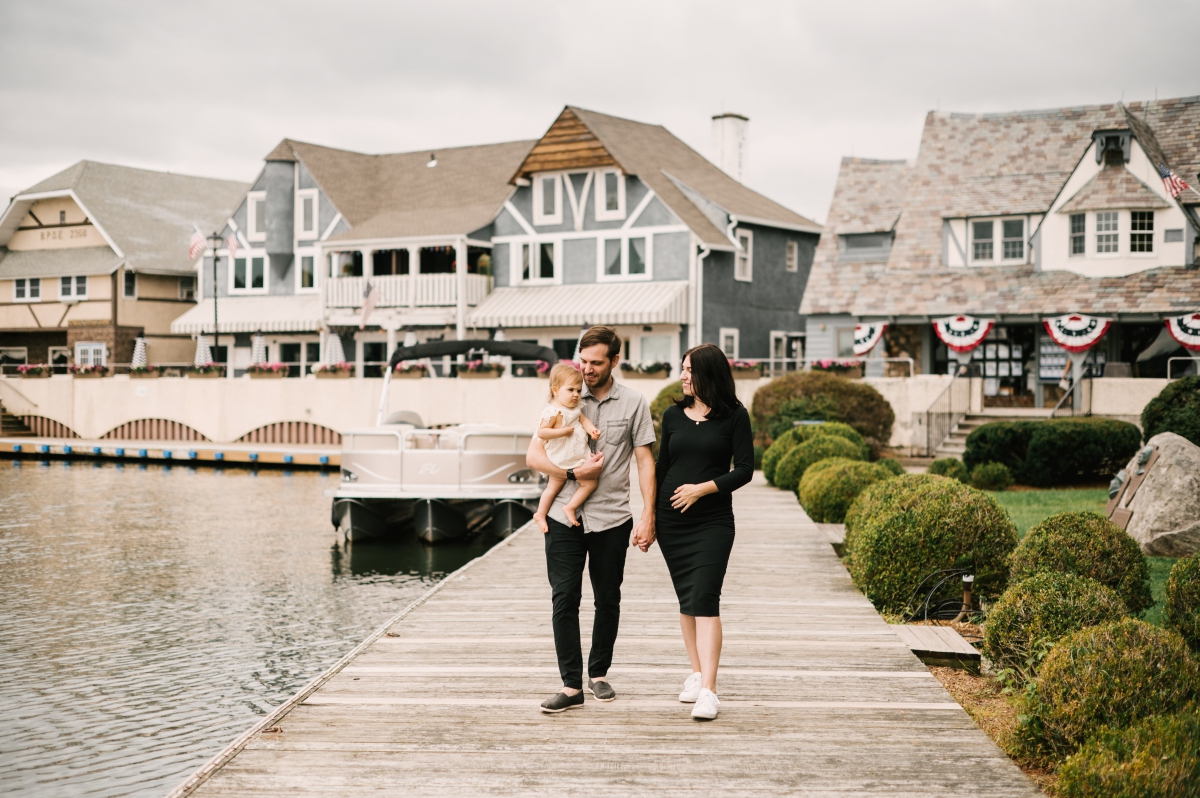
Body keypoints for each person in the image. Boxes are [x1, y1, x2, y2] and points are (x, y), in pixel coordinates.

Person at [525, 326, 657, 713]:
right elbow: (534, 456)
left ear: (615, 360)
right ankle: (570, 686)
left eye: (596, 363)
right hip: (563, 516)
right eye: (582, 361)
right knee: (564, 598)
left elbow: (645, 460)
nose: (586, 370)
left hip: (612, 517)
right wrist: (569, 476)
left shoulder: (634, 403)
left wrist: (649, 514)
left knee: (608, 598)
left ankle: (598, 673)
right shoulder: (562, 396)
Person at [654, 343, 754, 720]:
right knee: (686, 598)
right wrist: (649, 517)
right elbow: (663, 468)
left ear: (708, 373)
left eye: (689, 369)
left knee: (705, 597)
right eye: (682, 368)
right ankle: (695, 673)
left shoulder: (734, 416)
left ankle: (709, 691)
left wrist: (702, 488)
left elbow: (744, 470)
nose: (682, 375)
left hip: (713, 522)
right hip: (671, 521)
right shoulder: (672, 415)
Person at [532, 363, 601, 531]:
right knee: (551, 488)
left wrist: (592, 430)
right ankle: (540, 514)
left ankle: (570, 506)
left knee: (590, 483)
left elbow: (584, 421)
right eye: (571, 390)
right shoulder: (552, 412)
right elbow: (542, 432)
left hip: (576, 457)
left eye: (578, 390)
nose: (576, 395)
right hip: (559, 459)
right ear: (556, 390)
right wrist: (561, 432)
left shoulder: (575, 409)